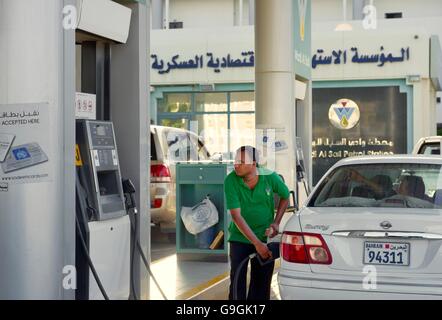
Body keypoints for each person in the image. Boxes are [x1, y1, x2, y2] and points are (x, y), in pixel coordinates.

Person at [224, 146, 290, 300]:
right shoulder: (231, 180)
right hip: (239, 238)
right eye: (235, 161)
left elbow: (285, 196)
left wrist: (276, 223)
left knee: (261, 286)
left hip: (264, 237)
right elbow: (236, 216)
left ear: (254, 164)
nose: (236, 165)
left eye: (241, 161)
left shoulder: (270, 176)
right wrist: (256, 244)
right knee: (237, 283)